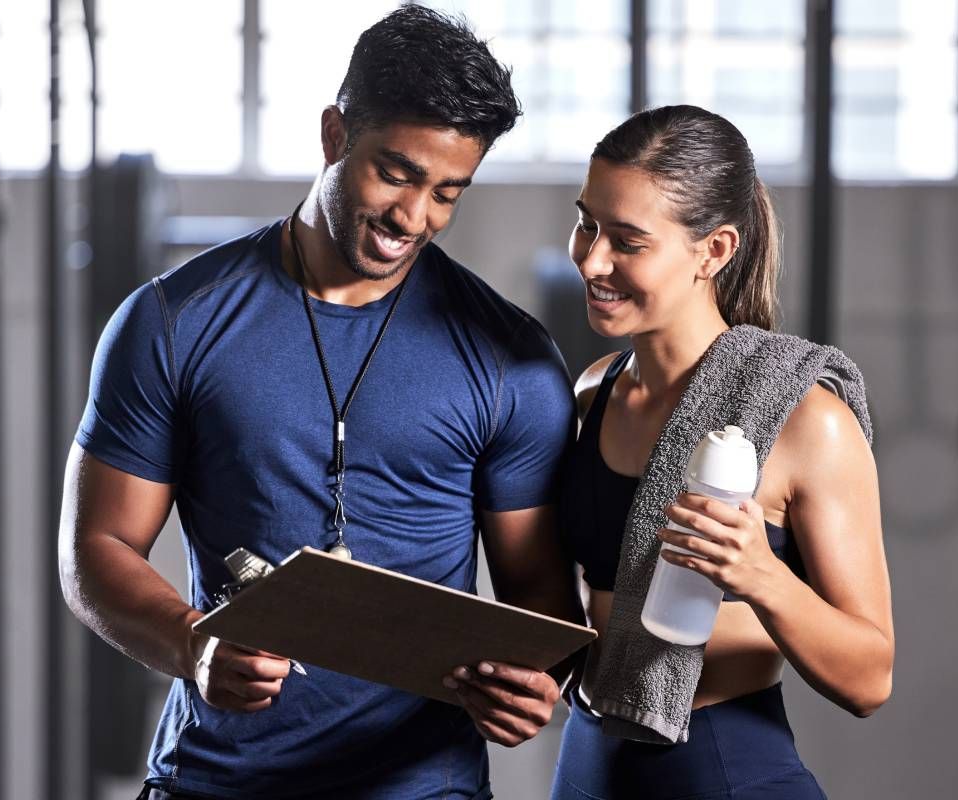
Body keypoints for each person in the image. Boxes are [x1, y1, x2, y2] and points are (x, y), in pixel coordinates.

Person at [58, 7, 584, 799]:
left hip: (421, 788)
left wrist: (531, 685)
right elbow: (96, 547)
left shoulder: (510, 360)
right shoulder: (173, 320)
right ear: (335, 135)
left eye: (448, 193)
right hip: (215, 780)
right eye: (397, 174)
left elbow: (538, 603)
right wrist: (193, 646)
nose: (415, 218)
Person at [550, 105, 894, 799]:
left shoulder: (806, 421)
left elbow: (869, 678)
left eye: (627, 240)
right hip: (589, 759)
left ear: (714, 251)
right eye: (587, 223)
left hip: (723, 766)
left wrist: (761, 574)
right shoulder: (594, 391)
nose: (592, 259)